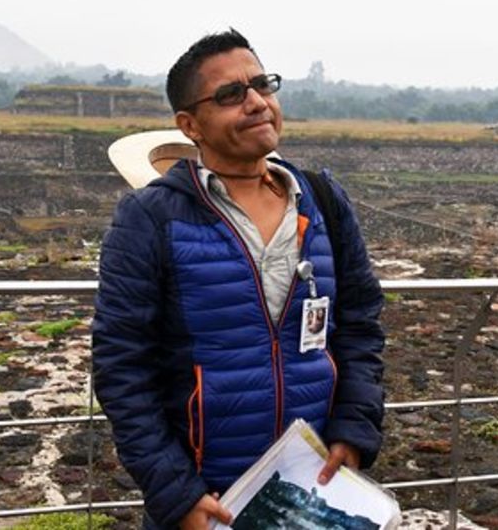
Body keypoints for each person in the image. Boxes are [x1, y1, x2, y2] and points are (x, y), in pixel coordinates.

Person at [92, 29, 385, 530]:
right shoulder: (152, 217)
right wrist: (176, 493)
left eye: (262, 85)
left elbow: (359, 325)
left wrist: (353, 431)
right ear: (190, 125)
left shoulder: (322, 200)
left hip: (307, 488)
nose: (255, 102)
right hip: (207, 500)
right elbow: (122, 367)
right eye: (230, 95)